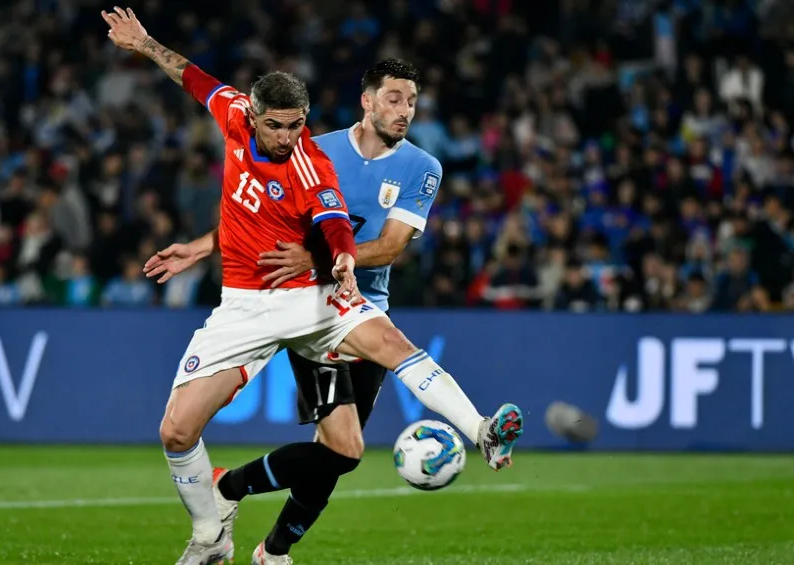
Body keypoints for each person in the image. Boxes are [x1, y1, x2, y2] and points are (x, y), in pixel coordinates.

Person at [106, 8, 523, 565]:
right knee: (176, 432)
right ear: (253, 115)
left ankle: (481, 430)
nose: (287, 138)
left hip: (315, 293)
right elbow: (193, 77)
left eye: (295, 126)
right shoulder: (237, 115)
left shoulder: (318, 162)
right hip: (246, 304)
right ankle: (211, 533)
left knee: (369, 397)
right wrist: (144, 43)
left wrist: (340, 260)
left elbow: (334, 222)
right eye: (276, 126)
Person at [212, 58, 493, 564]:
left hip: (367, 310)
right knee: (341, 448)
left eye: (411, 101)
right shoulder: (313, 151)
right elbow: (265, 217)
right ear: (367, 101)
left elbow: (389, 249)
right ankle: (235, 499)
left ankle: (267, 542)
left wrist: (316, 255)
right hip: (311, 310)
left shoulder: (422, 168)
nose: (404, 110)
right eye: (393, 98)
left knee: (340, 454)